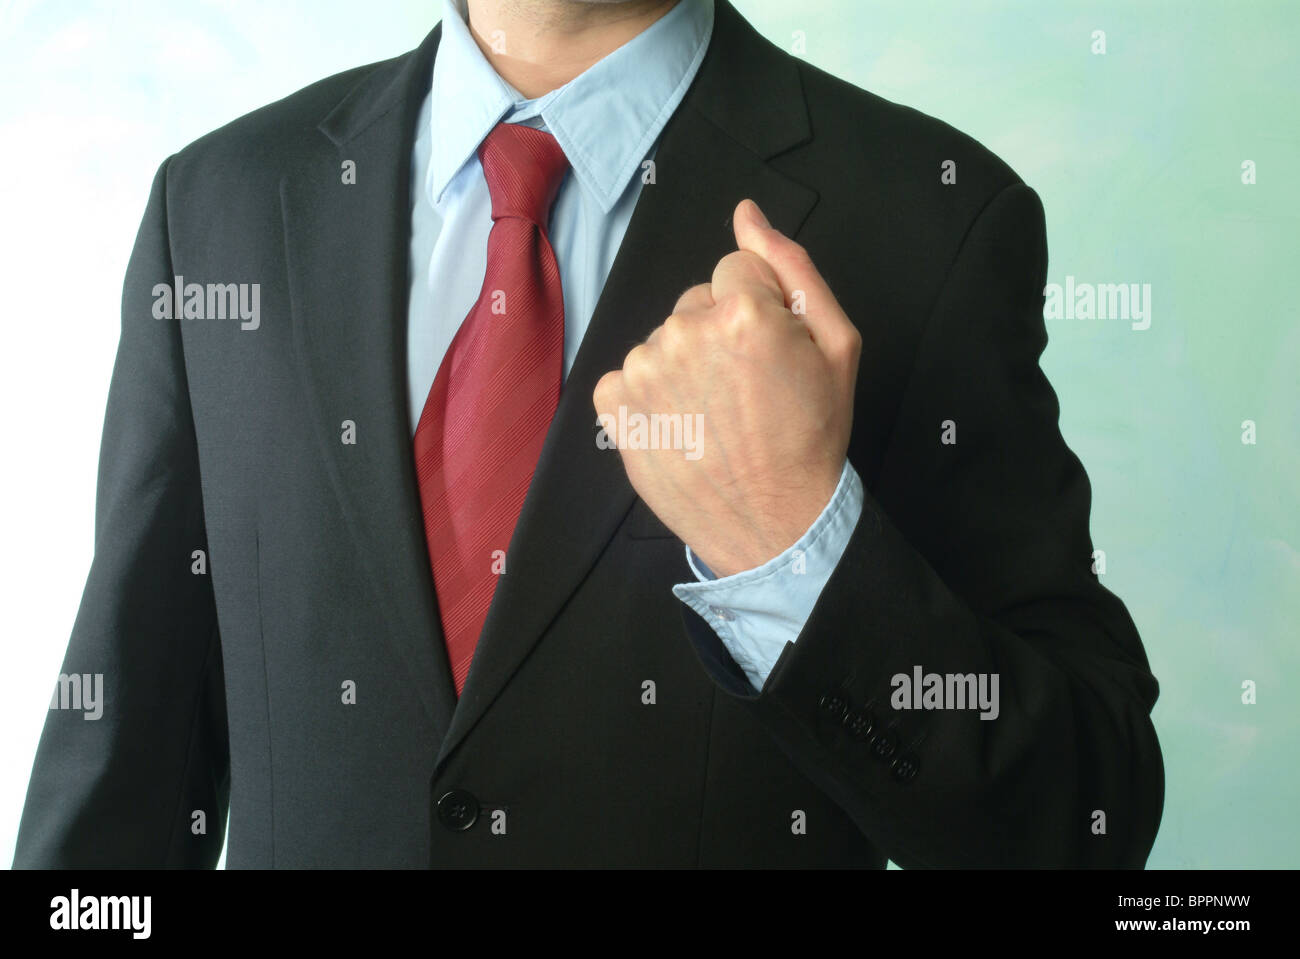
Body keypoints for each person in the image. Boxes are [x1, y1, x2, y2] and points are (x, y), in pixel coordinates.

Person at [14, 0, 1164, 868]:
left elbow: (1084, 812)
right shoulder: (216, 203)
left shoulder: (934, 218)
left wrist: (792, 543)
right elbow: (128, 766)